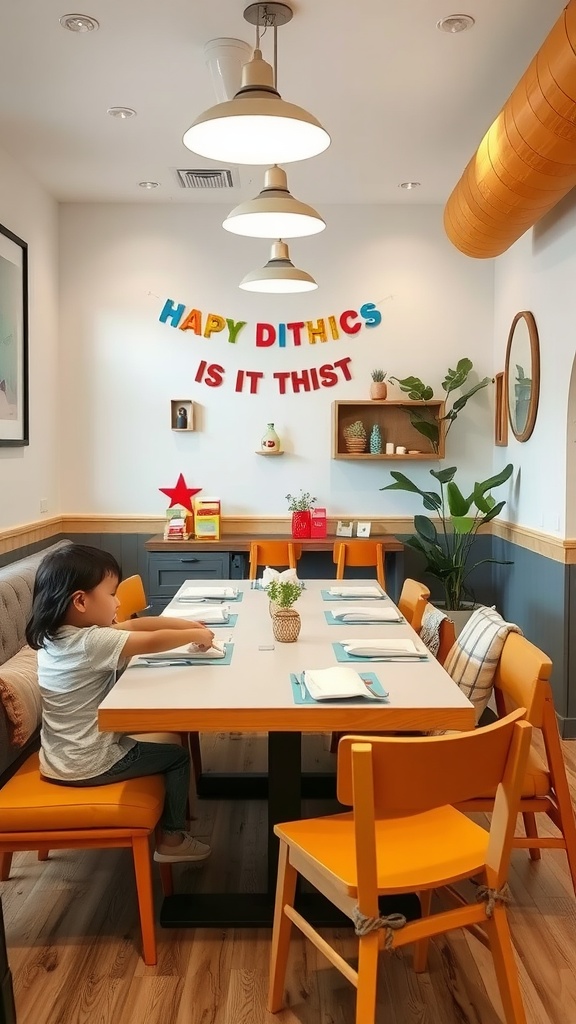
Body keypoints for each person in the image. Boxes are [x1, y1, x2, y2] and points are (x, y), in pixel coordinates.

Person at [26, 543, 215, 863]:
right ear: (81, 601)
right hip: (91, 762)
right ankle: (172, 839)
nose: (118, 602)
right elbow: (150, 641)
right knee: (177, 757)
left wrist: (190, 626)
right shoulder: (91, 642)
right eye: (112, 593)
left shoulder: (57, 637)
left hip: (57, 757)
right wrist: (192, 637)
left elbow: (134, 626)